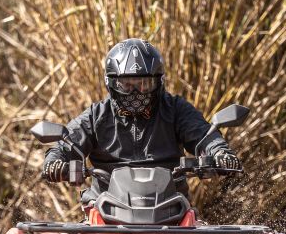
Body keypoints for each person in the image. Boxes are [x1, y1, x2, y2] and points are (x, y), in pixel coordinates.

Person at [42, 38, 240, 206]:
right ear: (111, 83)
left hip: (171, 208)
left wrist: (220, 152)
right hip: (105, 209)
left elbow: (204, 135)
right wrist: (55, 163)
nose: (136, 92)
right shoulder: (96, 116)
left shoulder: (175, 109)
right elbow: (65, 144)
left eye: (144, 84)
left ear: (158, 82)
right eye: (127, 85)